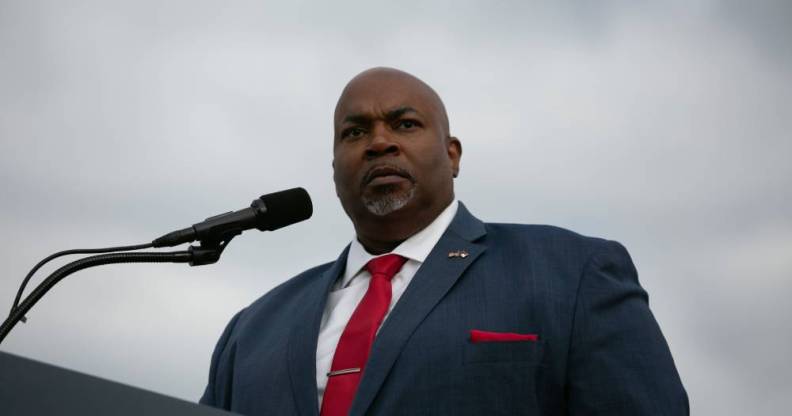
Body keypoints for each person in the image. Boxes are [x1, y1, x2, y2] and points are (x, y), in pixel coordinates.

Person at [199, 67, 689, 415]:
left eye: (405, 124)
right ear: (334, 168)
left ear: (452, 155)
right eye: (354, 132)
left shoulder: (572, 273)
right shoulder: (253, 331)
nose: (379, 142)